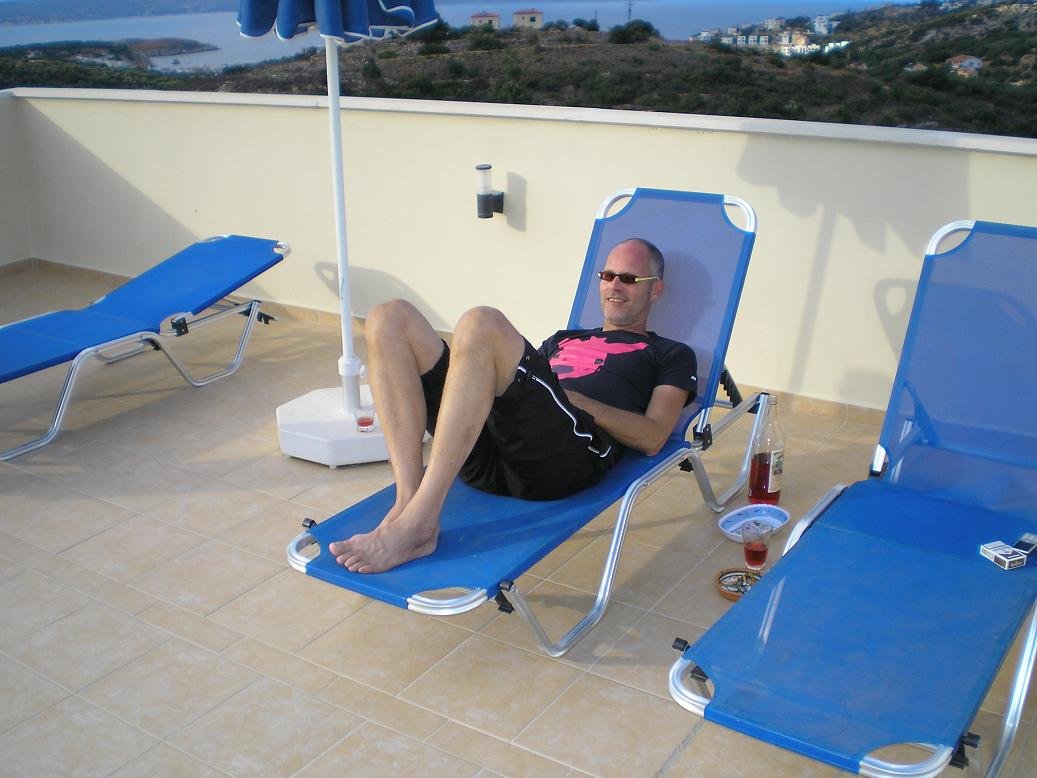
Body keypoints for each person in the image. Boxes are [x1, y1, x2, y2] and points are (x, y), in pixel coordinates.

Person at [329, 238, 697, 573]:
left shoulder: (670, 353)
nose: (615, 285)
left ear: (656, 290)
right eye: (608, 275)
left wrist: (573, 398)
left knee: (481, 322)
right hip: (488, 454)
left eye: (629, 279)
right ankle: (408, 499)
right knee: (388, 316)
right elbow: (521, 389)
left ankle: (421, 523)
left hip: (564, 458)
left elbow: (653, 437)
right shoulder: (562, 339)